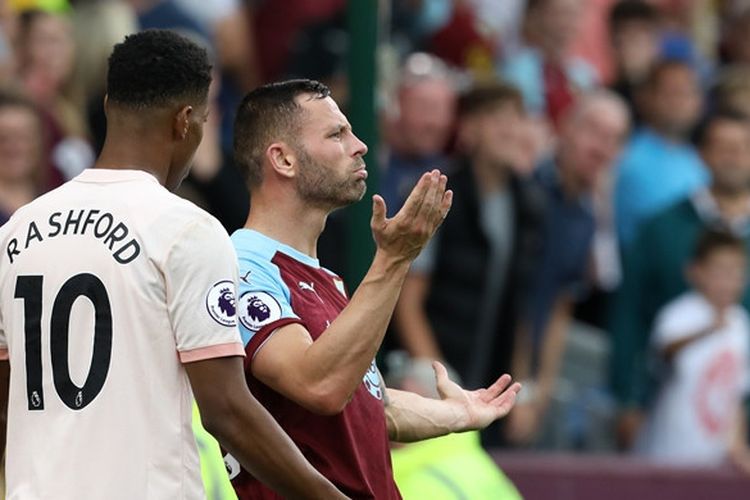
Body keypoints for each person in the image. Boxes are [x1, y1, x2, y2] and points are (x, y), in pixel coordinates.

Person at [0, 30, 345, 499]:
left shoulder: (17, 232)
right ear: (185, 121)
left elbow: (7, 404)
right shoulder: (185, 229)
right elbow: (226, 410)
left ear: (107, 105)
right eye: (203, 120)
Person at [228, 79, 522, 499]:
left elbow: (372, 407)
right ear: (283, 159)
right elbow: (318, 387)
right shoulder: (241, 266)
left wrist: (459, 412)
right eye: (336, 134)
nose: (360, 145)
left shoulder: (322, 279)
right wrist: (395, 260)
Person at [393, 81, 541, 409]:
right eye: (497, 118)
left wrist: (520, 386)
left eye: (517, 118)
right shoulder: (439, 194)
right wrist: (440, 380)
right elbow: (408, 299)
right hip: (435, 383)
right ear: (469, 129)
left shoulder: (529, 204)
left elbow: (521, 306)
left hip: (490, 384)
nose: (510, 129)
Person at [610, 111, 750, 449]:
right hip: (669, 418)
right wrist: (627, 399)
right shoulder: (661, 228)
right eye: (724, 147)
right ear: (702, 154)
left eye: (744, 147)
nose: (734, 157)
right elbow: (629, 313)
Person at [506, 90, 630, 445]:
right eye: (594, 130)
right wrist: (520, 387)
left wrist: (540, 389)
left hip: (526, 384)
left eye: (614, 139)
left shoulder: (587, 215)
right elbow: (517, 300)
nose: (601, 147)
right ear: (566, 128)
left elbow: (561, 304)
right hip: (488, 370)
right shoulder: (527, 190)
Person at [634, 230, 750, 472]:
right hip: (667, 457)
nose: (729, 281)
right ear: (695, 271)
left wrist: (738, 446)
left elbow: (735, 395)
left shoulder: (740, 324)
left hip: (713, 461)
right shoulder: (678, 314)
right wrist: (706, 331)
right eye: (721, 271)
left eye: (736, 272)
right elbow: (665, 352)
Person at [614, 59, 707, 247]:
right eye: (671, 92)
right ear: (645, 97)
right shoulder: (623, 155)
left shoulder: (701, 160)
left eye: (688, 92)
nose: (680, 101)